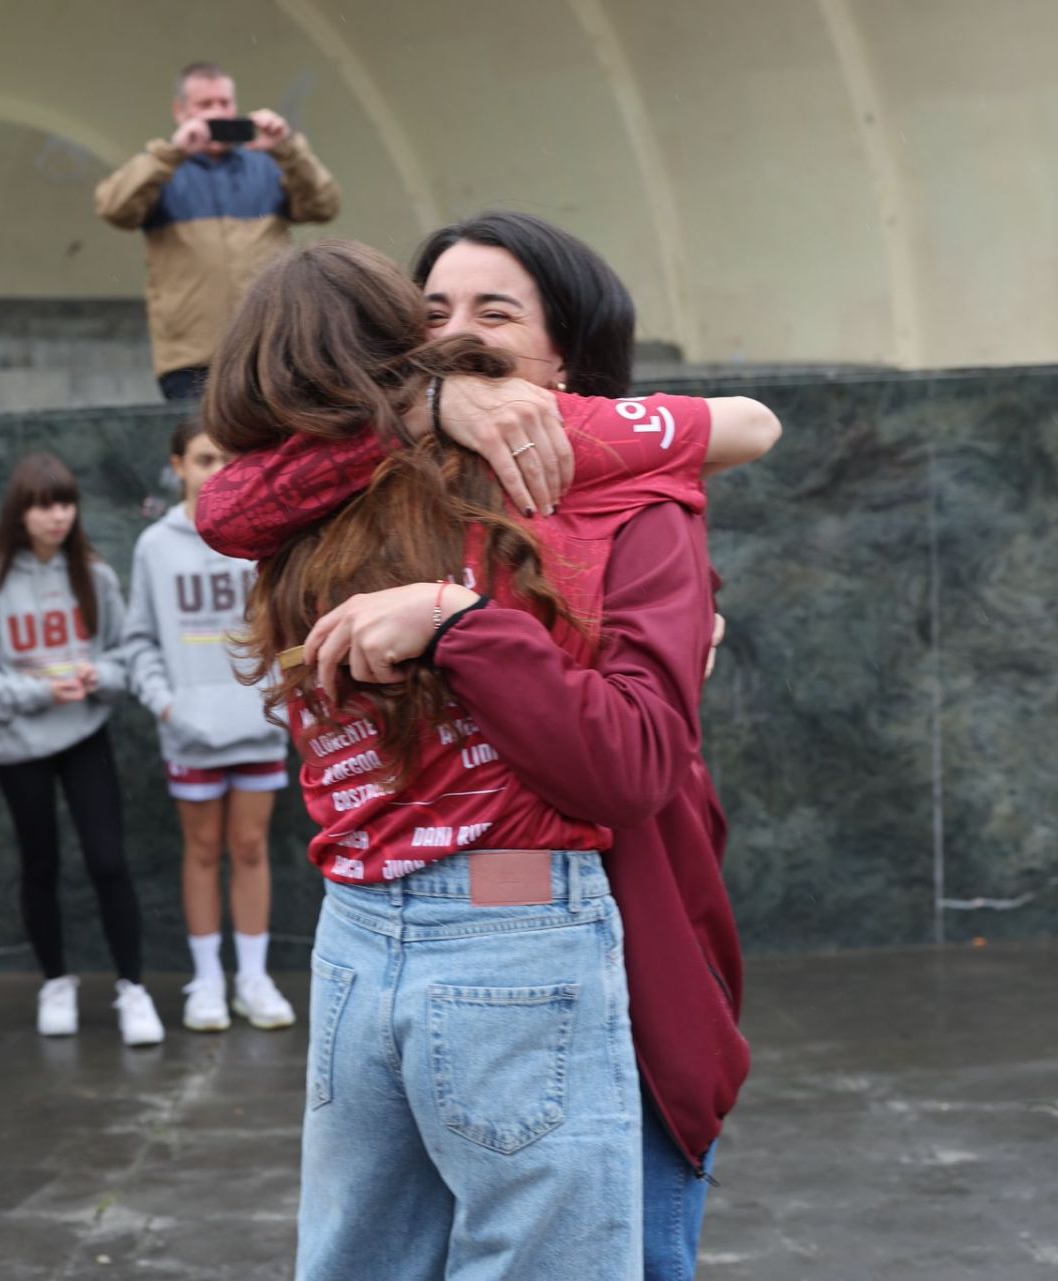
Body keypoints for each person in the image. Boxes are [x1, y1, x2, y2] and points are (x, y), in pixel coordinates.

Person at [198, 212, 779, 1280]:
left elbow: (751, 425)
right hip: (382, 925)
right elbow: (225, 503)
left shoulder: (622, 484)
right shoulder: (379, 478)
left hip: (599, 922)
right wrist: (423, 407)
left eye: (494, 312)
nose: (456, 334)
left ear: (567, 356)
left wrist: (458, 623)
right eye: (430, 317)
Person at [0, 454, 164, 1047]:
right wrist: (41, 691)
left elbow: (128, 655)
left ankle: (133, 987)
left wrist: (99, 675)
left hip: (84, 733)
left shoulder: (93, 576)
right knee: (39, 863)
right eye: (44, 505)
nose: (56, 516)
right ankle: (55, 981)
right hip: (17, 746)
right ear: (20, 512)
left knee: (108, 860)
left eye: (65, 503)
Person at [121, 419, 293, 1032]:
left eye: (225, 458)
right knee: (201, 851)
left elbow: (285, 625)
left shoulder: (262, 535)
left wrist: (277, 694)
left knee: (249, 849)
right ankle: (208, 981)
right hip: (191, 731)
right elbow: (136, 640)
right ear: (177, 466)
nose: (214, 470)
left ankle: (253, 977)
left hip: (255, 725)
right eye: (201, 458)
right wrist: (168, 704)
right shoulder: (155, 546)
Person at [95, 60, 340, 400]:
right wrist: (171, 153)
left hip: (269, 351)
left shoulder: (268, 166)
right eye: (205, 105)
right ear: (180, 112)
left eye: (225, 103)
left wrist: (288, 149)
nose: (218, 113)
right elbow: (113, 208)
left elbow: (324, 205)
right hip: (191, 361)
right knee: (205, 452)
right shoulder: (161, 171)